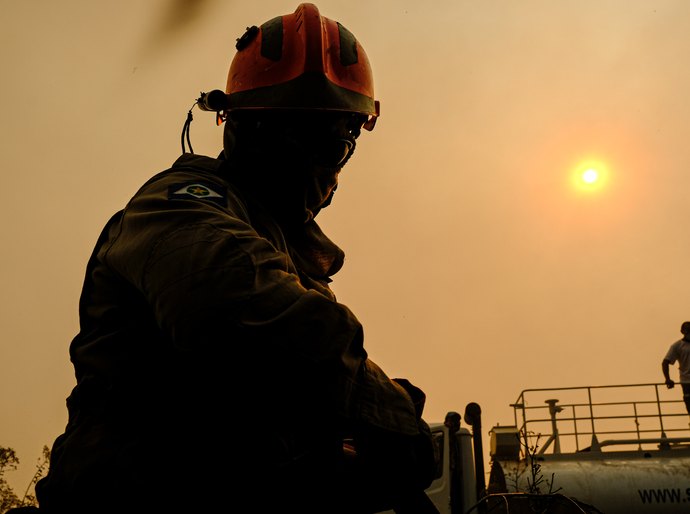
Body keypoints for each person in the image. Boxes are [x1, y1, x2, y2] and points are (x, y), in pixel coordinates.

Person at [34, 4, 438, 514]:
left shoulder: (277, 243)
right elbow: (240, 311)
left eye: (330, 142)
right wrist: (390, 411)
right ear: (241, 127)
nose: (311, 160)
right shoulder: (178, 207)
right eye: (290, 134)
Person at [662, 321, 690, 415]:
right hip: (686, 380)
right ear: (682, 331)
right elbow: (665, 362)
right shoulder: (677, 346)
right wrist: (667, 379)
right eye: (688, 330)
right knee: (689, 401)